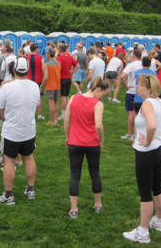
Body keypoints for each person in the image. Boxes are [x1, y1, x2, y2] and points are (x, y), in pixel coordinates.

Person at [123, 75, 161, 244]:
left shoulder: (147, 104)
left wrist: (147, 139)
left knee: (145, 192)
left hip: (147, 152)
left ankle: (143, 232)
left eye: (140, 86)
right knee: (157, 186)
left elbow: (151, 125)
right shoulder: (159, 102)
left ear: (149, 89)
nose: (137, 88)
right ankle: (159, 221)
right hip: (158, 150)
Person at [0, 57, 40, 205]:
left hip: (12, 131)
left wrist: (6, 119)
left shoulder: (7, 88)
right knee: (29, 157)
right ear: (28, 70)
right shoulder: (35, 86)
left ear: (14, 71)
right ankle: (30, 189)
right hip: (29, 129)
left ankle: (8, 194)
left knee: (9, 161)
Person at [64, 76, 107, 219]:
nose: (102, 97)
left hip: (74, 142)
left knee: (75, 174)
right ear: (98, 89)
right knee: (94, 173)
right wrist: (101, 140)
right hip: (92, 143)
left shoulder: (73, 98)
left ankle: (74, 208)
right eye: (103, 94)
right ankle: (98, 204)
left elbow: (66, 119)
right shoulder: (97, 104)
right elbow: (99, 125)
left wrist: (67, 137)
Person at [120, 48, 143, 140]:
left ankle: (130, 134)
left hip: (131, 91)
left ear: (133, 56)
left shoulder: (132, 65)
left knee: (130, 112)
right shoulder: (143, 65)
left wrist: (126, 86)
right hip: (141, 92)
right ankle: (137, 133)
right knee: (140, 113)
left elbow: (122, 76)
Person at [57, 44, 79, 121]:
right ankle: (69, 112)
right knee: (66, 96)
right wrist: (72, 71)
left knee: (63, 97)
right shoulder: (69, 57)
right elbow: (78, 65)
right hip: (68, 78)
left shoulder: (60, 58)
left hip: (62, 78)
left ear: (59, 50)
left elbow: (58, 67)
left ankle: (63, 115)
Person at [27, 43, 47, 120]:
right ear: (35, 49)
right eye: (38, 48)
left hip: (28, 80)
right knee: (38, 98)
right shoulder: (40, 58)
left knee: (28, 97)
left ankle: (29, 114)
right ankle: (39, 115)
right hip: (38, 80)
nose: (39, 49)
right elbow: (43, 70)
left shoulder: (26, 58)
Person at [41, 49, 61, 126]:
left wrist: (41, 86)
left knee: (51, 103)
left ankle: (52, 120)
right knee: (56, 102)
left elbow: (45, 77)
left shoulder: (47, 65)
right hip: (57, 85)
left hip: (50, 85)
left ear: (49, 55)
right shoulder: (58, 63)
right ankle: (56, 120)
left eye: (46, 53)